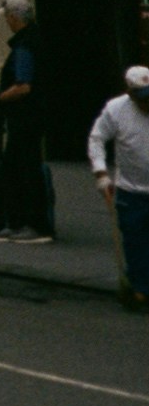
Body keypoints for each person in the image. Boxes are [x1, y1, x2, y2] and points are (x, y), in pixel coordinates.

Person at [86, 65, 149, 313]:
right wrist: (101, 173)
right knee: (135, 242)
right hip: (131, 191)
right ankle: (141, 289)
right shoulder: (116, 109)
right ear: (130, 93)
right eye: (143, 98)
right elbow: (97, 138)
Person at [0, 0, 53, 243]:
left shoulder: (24, 46)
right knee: (19, 166)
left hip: (24, 117)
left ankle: (32, 223)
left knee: (23, 168)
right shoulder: (33, 40)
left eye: (7, 16)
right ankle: (20, 222)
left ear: (14, 18)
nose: (6, 21)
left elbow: (23, 86)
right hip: (32, 116)